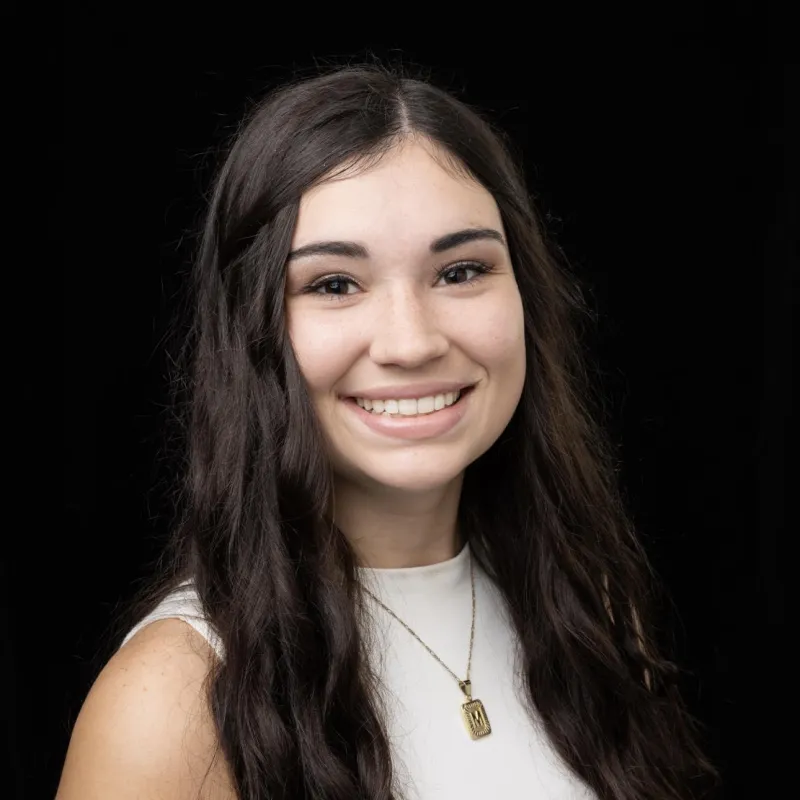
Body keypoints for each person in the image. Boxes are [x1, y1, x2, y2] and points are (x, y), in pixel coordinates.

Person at [56, 64, 717, 799]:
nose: (411, 342)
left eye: (461, 271)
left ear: (526, 294)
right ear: (251, 332)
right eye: (334, 284)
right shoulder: (171, 699)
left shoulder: (588, 615)